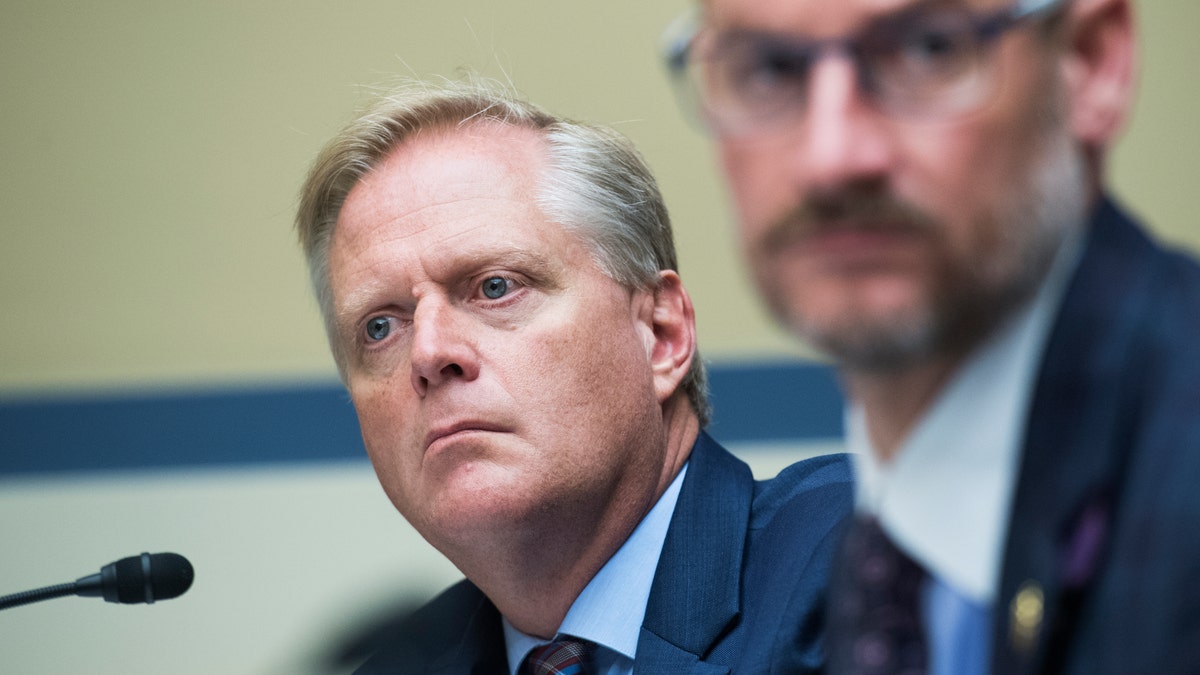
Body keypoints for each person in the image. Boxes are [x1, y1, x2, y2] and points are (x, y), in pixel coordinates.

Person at [663, 0, 1200, 673]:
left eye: (926, 51)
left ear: (1089, 64)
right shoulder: (884, 558)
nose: (832, 157)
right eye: (769, 69)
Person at [294, 78, 853, 674]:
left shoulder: (860, 564)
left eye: (495, 287)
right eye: (381, 328)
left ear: (661, 335)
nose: (429, 353)